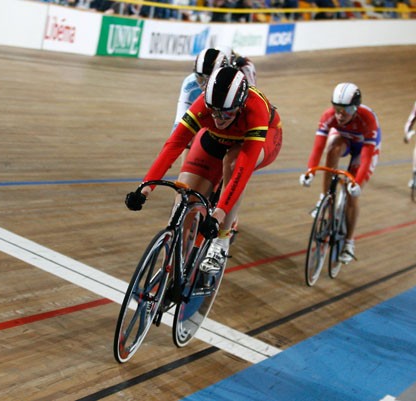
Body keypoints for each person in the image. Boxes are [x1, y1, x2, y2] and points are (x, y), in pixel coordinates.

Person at [125, 66, 282, 275]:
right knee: (184, 199)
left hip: (261, 140)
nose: (219, 118)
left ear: (240, 106)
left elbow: (242, 172)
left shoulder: (256, 110)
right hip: (215, 138)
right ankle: (170, 272)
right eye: (214, 111)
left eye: (227, 113)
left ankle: (222, 241)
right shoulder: (203, 107)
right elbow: (174, 145)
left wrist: (218, 215)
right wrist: (145, 188)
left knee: (232, 164)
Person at [299, 83, 381, 264]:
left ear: (356, 108)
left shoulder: (367, 119)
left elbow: (366, 157)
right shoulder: (329, 116)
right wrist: (310, 170)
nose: (340, 114)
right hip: (345, 140)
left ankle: (349, 243)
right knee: (332, 149)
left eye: (346, 110)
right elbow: (318, 146)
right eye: (337, 108)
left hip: (364, 148)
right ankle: (325, 197)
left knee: (352, 195)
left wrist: (357, 183)